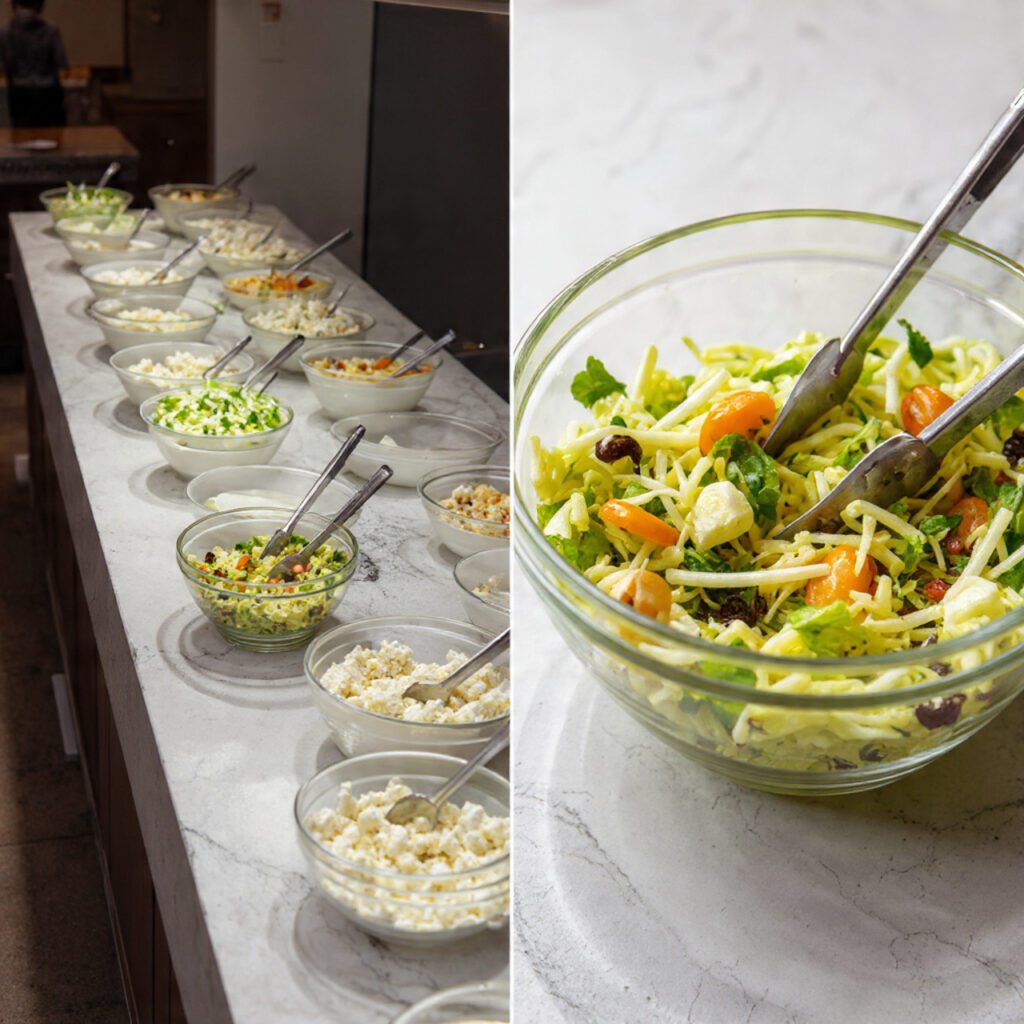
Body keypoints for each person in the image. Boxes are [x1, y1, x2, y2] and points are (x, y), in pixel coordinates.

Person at [0, 0, 67, 128]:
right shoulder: (51, 30)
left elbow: (2, 67)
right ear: (40, 5)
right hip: (48, 92)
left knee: (21, 136)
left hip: (19, 92)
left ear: (14, 5)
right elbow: (61, 64)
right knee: (51, 135)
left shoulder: (4, 31)